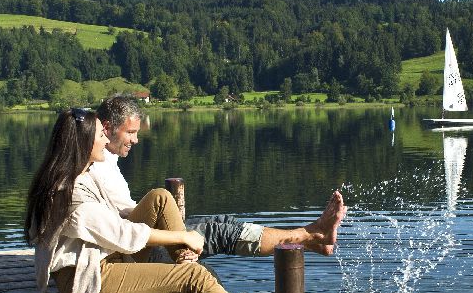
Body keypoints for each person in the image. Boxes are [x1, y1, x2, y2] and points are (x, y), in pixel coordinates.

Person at [24, 107, 303, 293]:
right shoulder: (69, 194)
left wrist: (177, 242)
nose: (107, 138)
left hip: (105, 258)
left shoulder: (81, 174)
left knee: (160, 197)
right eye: (100, 135)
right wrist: (183, 235)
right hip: (88, 279)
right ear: (84, 143)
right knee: (194, 275)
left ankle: (189, 276)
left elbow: (118, 219)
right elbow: (124, 235)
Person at [94, 93, 345, 262]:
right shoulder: (92, 164)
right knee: (217, 232)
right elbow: (114, 225)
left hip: (139, 241)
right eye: (131, 132)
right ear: (107, 127)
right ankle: (312, 234)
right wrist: (175, 235)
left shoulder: (107, 157)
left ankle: (311, 240)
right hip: (133, 252)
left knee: (221, 222)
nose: (136, 140)